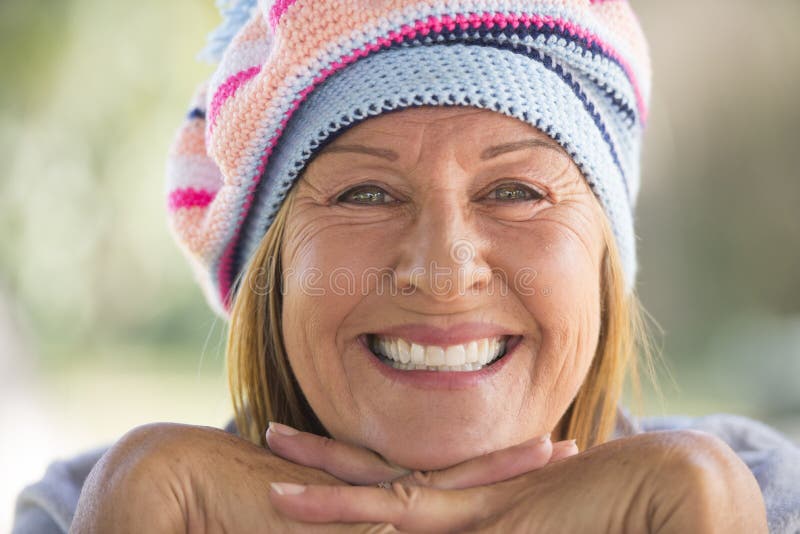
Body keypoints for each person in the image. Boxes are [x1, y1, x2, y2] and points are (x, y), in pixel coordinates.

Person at [13, 1, 800, 532]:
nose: (442, 272)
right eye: (363, 192)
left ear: (602, 250)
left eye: (516, 190)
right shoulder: (96, 510)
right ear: (272, 267)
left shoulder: (758, 498)